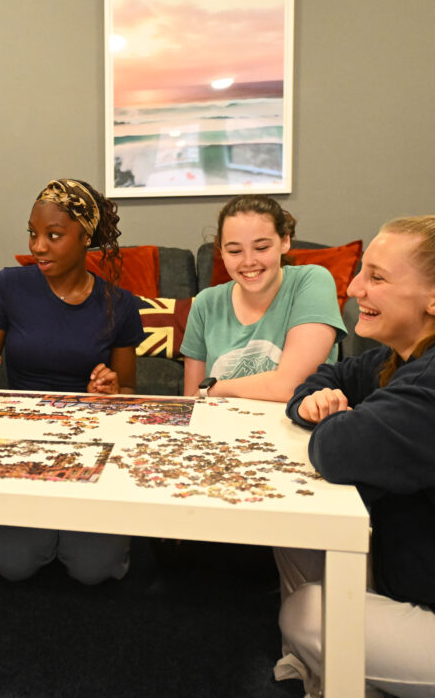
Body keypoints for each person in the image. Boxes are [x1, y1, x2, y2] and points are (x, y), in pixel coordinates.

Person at [275, 215, 435, 698]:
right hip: (405, 575)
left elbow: (337, 448)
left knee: (304, 612)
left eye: (378, 277)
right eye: (361, 271)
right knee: (296, 533)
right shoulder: (396, 357)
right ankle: (331, 680)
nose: (354, 287)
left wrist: (330, 420)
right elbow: (325, 377)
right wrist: (313, 401)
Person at [0, 178, 145, 584]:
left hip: (91, 444)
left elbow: (129, 391)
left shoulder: (121, 304)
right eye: (33, 233)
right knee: (13, 565)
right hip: (21, 441)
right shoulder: (8, 285)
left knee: (94, 570)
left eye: (53, 235)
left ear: (85, 238)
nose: (37, 246)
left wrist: (110, 390)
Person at [181, 195, 347, 401]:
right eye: (234, 251)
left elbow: (291, 387)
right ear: (221, 252)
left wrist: (215, 388)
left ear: (285, 241)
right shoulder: (205, 303)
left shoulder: (312, 281)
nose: (249, 261)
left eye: (261, 248)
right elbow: (191, 400)